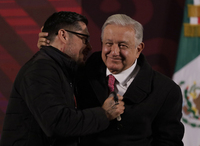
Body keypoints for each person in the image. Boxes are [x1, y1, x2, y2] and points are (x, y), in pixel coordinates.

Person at [37, 14, 184, 146]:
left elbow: (169, 142)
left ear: (138, 49)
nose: (114, 52)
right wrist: (51, 49)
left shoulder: (166, 90)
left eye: (122, 45)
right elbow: (57, 77)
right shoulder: (87, 69)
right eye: (108, 44)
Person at [0, 11, 125, 146]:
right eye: (84, 39)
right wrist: (104, 114)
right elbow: (57, 123)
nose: (89, 46)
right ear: (63, 35)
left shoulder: (64, 69)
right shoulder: (41, 69)